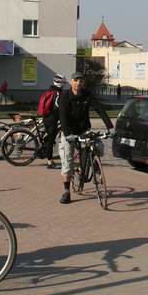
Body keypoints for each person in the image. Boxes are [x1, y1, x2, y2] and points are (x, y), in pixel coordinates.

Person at [58, 72, 115, 204]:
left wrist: (110, 127)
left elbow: (99, 109)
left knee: (97, 146)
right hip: (69, 132)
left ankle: (95, 168)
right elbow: (63, 117)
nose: (78, 83)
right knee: (68, 162)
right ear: (71, 82)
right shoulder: (65, 96)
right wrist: (67, 135)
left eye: (81, 81)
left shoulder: (87, 95)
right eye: (76, 80)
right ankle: (66, 192)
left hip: (84, 130)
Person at [40, 74, 65, 169]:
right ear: (59, 83)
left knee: (49, 137)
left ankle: (45, 150)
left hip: (46, 118)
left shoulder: (49, 90)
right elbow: (59, 108)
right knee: (51, 140)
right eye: (62, 83)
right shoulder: (57, 93)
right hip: (52, 119)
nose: (63, 85)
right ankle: (49, 162)